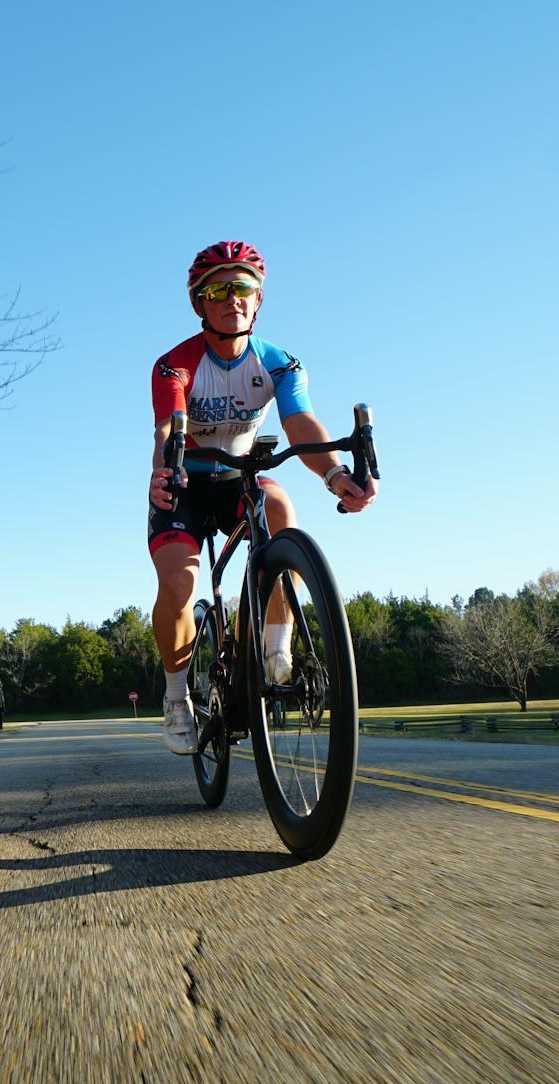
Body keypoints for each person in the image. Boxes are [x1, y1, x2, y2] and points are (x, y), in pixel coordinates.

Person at [147, 240, 377, 754]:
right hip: (184, 483)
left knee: (281, 511)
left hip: (237, 479)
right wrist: (163, 468)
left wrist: (336, 476)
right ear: (199, 302)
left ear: (259, 299)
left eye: (244, 287)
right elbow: (168, 428)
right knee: (180, 584)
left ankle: (276, 649)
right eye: (220, 289)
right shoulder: (173, 365)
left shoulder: (279, 362)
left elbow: (300, 424)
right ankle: (176, 695)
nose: (234, 298)